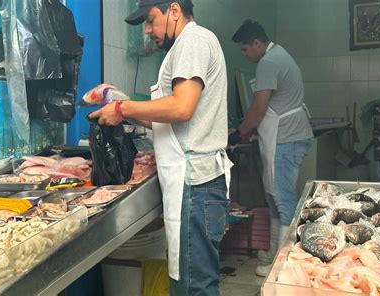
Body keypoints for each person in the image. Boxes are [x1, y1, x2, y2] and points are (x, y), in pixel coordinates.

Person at [89, 1, 233, 295]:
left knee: (195, 286)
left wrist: (122, 107)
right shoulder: (184, 48)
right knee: (190, 281)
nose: (148, 30)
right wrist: (121, 108)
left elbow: (181, 108)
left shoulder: (192, 40)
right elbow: (165, 120)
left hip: (195, 184)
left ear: (175, 11)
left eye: (152, 20)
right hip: (193, 184)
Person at [230, 20, 313, 276]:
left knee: (283, 198)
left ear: (257, 43)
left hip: (286, 138)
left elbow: (258, 108)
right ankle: (277, 251)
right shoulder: (279, 55)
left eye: (245, 49)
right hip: (285, 137)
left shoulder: (269, 61)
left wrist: (240, 132)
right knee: (274, 198)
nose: (245, 55)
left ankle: (283, 264)